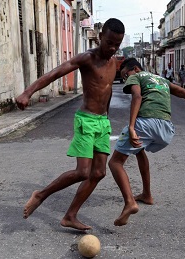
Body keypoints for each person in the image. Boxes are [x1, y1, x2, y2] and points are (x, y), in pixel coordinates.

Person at [16, 18, 125, 231]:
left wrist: (107, 117)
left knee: (99, 173)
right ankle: (40, 195)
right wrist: (28, 92)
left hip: (102, 123)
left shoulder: (113, 63)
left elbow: (108, 91)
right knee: (83, 172)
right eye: (109, 42)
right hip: (86, 120)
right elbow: (55, 73)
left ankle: (70, 216)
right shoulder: (87, 58)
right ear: (100, 36)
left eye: (117, 45)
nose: (112, 48)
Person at [108, 58, 185, 226]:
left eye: (125, 74)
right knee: (139, 150)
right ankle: (147, 195)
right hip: (166, 129)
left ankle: (129, 202)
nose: (125, 79)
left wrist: (131, 126)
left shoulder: (136, 76)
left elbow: (137, 96)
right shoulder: (161, 79)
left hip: (145, 123)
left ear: (135, 69)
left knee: (115, 162)